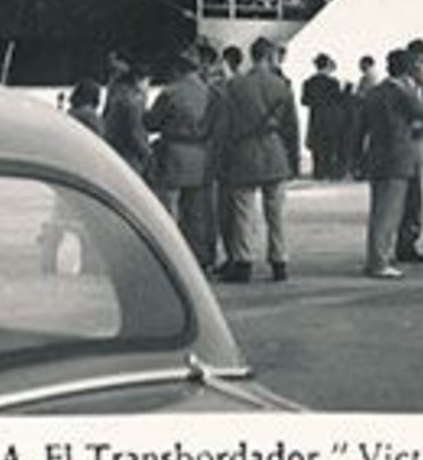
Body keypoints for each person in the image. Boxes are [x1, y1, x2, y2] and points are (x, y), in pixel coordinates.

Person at [216, 37, 300, 283]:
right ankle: (279, 261)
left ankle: (243, 261)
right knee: (275, 213)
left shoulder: (235, 86)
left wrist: (224, 155)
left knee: (243, 211)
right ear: (270, 56)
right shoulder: (282, 85)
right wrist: (292, 159)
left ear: (252, 56)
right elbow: (291, 127)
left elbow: (225, 125)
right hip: (274, 152)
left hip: (244, 151)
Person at [358, 49, 423, 278]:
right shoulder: (402, 92)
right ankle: (379, 263)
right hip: (399, 156)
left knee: (378, 212)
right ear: (408, 69)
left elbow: (361, 126)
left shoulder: (374, 92)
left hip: (377, 154)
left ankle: (375, 257)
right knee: (389, 213)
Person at [143, 50, 216, 269]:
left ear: (177, 69)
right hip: (202, 155)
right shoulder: (210, 92)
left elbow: (152, 123)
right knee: (198, 213)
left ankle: (172, 258)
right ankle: (200, 258)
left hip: (174, 154)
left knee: (169, 208)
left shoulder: (170, 92)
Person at [395, 38, 423, 264]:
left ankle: (409, 242)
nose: (418, 64)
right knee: (406, 198)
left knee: (414, 199)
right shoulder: (404, 84)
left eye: (421, 59)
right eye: (414, 59)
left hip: (419, 144)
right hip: (408, 144)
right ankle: (404, 243)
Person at [101, 52, 152, 179]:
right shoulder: (132, 101)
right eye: (148, 81)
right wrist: (148, 153)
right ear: (138, 79)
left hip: (115, 148)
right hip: (128, 154)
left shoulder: (118, 93)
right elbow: (135, 132)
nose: (148, 85)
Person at [302, 54, 348, 181]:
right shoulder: (333, 83)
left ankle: (318, 172)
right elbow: (339, 100)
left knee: (317, 146)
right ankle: (328, 171)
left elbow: (304, 101)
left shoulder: (308, 82)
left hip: (315, 117)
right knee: (329, 146)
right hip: (331, 119)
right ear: (327, 65)